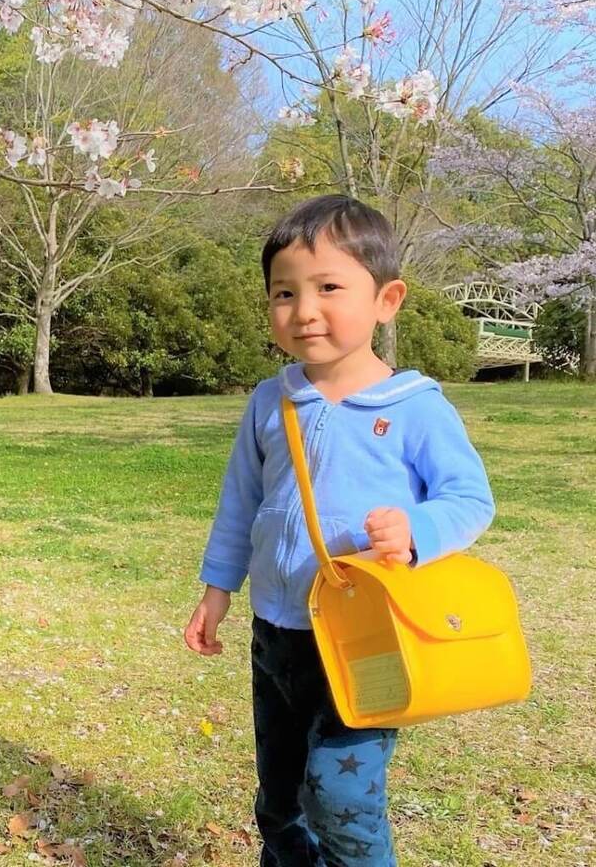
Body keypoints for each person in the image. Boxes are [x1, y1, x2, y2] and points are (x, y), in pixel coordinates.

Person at [184, 195, 494, 866]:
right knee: (281, 796)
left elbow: (470, 499)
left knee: (340, 796)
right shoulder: (272, 401)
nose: (304, 310)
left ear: (387, 299)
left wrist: (416, 530)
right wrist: (217, 588)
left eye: (329, 287)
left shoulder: (414, 407)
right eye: (284, 292)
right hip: (277, 631)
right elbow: (241, 501)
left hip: (367, 638)